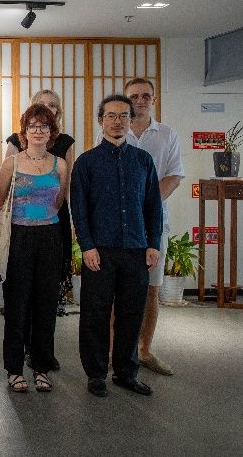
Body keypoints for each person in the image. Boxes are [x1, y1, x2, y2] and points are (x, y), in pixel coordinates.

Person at [71, 95, 162, 398]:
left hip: (136, 249)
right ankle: (96, 373)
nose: (117, 121)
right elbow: (79, 209)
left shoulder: (143, 161)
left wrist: (153, 244)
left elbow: (153, 207)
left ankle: (126, 372)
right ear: (101, 121)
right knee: (95, 314)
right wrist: (86, 246)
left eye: (124, 116)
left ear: (131, 121)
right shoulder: (86, 162)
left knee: (131, 314)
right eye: (110, 116)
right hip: (100, 251)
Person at [0, 104, 68, 393]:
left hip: (50, 237)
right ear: (24, 131)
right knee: (17, 304)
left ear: (51, 132)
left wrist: (42, 217)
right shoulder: (11, 163)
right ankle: (14, 369)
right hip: (19, 237)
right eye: (32, 126)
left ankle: (41, 367)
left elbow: (59, 202)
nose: (38, 131)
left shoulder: (60, 165)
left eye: (44, 126)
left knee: (46, 305)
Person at [5, 89, 75, 371]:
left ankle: (42, 354)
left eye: (52, 106)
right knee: (20, 294)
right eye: (41, 105)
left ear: (57, 115)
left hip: (53, 225)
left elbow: (64, 195)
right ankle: (19, 354)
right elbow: (3, 196)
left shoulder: (65, 145)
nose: (47, 109)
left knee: (47, 295)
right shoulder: (15, 143)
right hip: (20, 227)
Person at [123, 78, 184, 376]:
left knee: (151, 289)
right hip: (121, 224)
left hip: (154, 222)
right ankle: (116, 350)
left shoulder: (167, 135)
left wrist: (147, 203)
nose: (140, 100)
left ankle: (145, 350)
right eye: (134, 96)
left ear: (154, 99)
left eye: (146, 95)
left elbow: (174, 175)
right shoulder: (113, 131)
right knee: (119, 290)